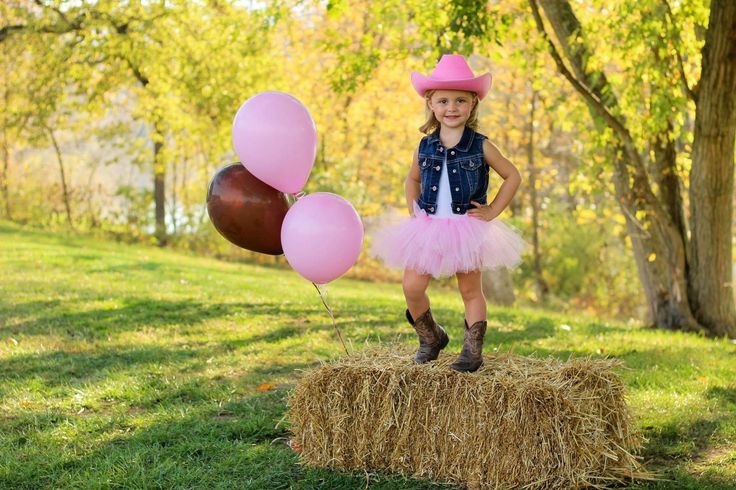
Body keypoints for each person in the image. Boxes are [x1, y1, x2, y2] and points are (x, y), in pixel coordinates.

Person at [370, 54, 528, 372]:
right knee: (412, 287)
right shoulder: (425, 145)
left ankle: (472, 351)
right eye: (443, 100)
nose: (451, 107)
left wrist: (494, 209)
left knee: (470, 290)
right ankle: (431, 338)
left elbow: (513, 175)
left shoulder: (481, 145)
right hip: (428, 226)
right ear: (431, 103)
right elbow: (412, 178)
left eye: (460, 100)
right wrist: (413, 208)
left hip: (466, 228)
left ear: (472, 104)